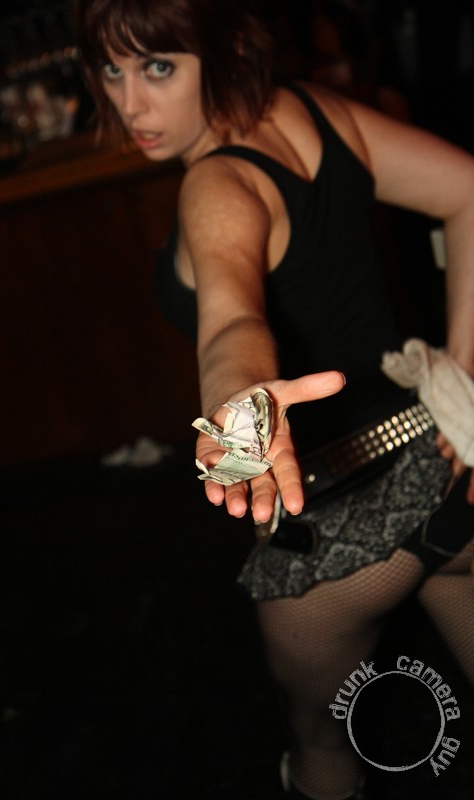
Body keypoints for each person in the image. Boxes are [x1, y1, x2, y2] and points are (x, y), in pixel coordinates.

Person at [75, 1, 474, 798]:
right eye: (111, 70)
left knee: (321, 753)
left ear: (223, 46)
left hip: (334, 534)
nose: (129, 103)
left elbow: (231, 324)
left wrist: (239, 409)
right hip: (446, 470)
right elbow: (467, 188)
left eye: (157, 68)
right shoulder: (312, 110)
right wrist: (462, 380)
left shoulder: (213, 182)